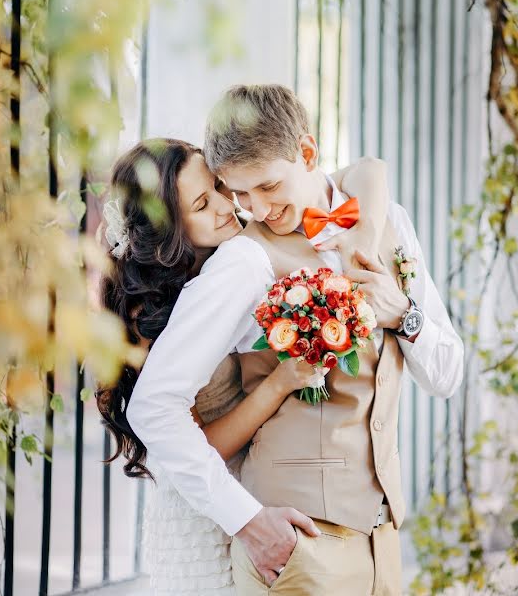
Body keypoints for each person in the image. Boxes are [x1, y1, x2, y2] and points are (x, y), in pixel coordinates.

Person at [126, 85, 465, 595]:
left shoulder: (389, 224)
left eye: (266, 186)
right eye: (238, 194)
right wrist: (246, 521)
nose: (254, 210)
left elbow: (448, 375)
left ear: (306, 153)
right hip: (297, 548)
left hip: (383, 538)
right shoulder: (245, 259)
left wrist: (404, 314)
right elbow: (153, 407)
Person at [98, 138, 358, 594]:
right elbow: (194, 440)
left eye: (219, 187)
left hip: (251, 488)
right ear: (169, 232)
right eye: (202, 204)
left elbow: (362, 178)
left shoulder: (230, 260)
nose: (227, 206)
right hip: (205, 508)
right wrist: (278, 384)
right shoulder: (151, 318)